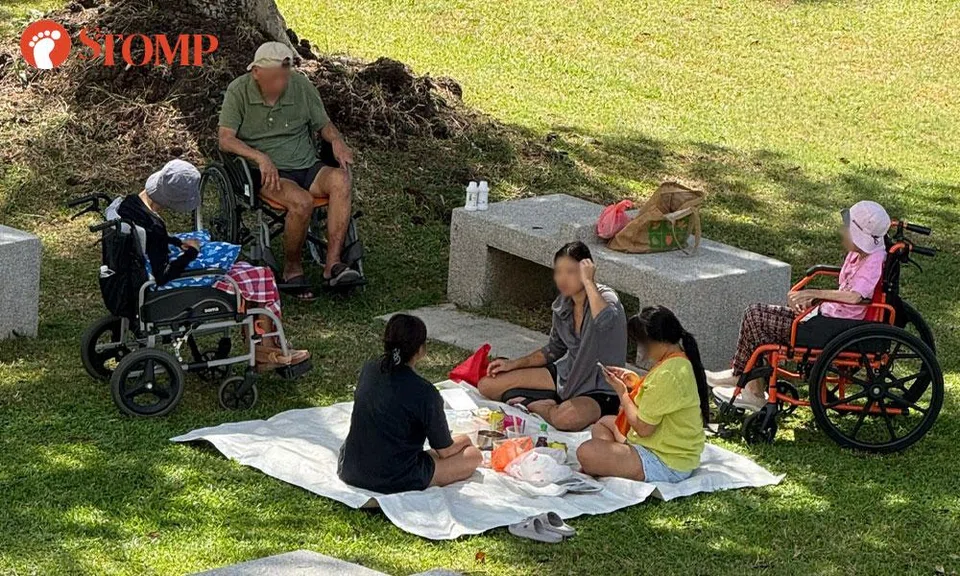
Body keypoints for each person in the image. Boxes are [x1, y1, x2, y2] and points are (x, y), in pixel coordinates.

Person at [114, 159, 310, 369]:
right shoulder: (154, 226)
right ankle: (267, 348)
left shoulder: (130, 205)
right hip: (168, 285)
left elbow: (155, 242)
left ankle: (263, 345)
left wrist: (176, 243)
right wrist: (191, 253)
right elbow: (163, 275)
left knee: (248, 272)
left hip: (140, 273)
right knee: (260, 276)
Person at [709, 200, 891, 410]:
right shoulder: (861, 253)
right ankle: (747, 381)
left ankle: (747, 383)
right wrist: (813, 301)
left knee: (756, 317)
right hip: (827, 317)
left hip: (833, 328)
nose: (843, 231)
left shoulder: (873, 262)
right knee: (755, 316)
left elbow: (854, 297)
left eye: (847, 228)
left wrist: (813, 294)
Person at [218, 41, 360, 297]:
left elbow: (323, 125)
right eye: (275, 78)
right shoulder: (238, 91)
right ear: (256, 72)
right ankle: (292, 268)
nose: (282, 84)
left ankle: (333, 264)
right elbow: (225, 139)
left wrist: (337, 140)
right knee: (301, 202)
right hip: (271, 173)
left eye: (285, 76)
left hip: (307, 164)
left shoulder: (301, 86)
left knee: (341, 180)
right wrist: (259, 157)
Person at [476, 241, 628, 431]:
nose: (563, 279)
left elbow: (605, 322)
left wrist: (589, 282)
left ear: (586, 271)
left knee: (565, 419)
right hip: (567, 375)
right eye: (558, 272)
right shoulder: (563, 304)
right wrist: (513, 364)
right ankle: (545, 400)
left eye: (570, 272)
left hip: (599, 387)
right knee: (487, 385)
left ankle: (535, 404)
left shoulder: (606, 298)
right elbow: (554, 349)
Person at [338, 314, 482, 494]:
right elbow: (444, 451)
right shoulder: (425, 391)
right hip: (394, 478)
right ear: (421, 349)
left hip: (351, 467)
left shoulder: (369, 369)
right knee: (473, 455)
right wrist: (466, 439)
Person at [577, 306, 708, 483]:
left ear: (654, 341)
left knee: (586, 452)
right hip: (657, 446)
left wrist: (622, 393)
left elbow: (643, 428)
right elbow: (658, 397)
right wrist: (636, 383)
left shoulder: (669, 373)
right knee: (603, 424)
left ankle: (608, 463)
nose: (642, 350)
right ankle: (610, 463)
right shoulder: (676, 362)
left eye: (642, 344)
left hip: (666, 461)